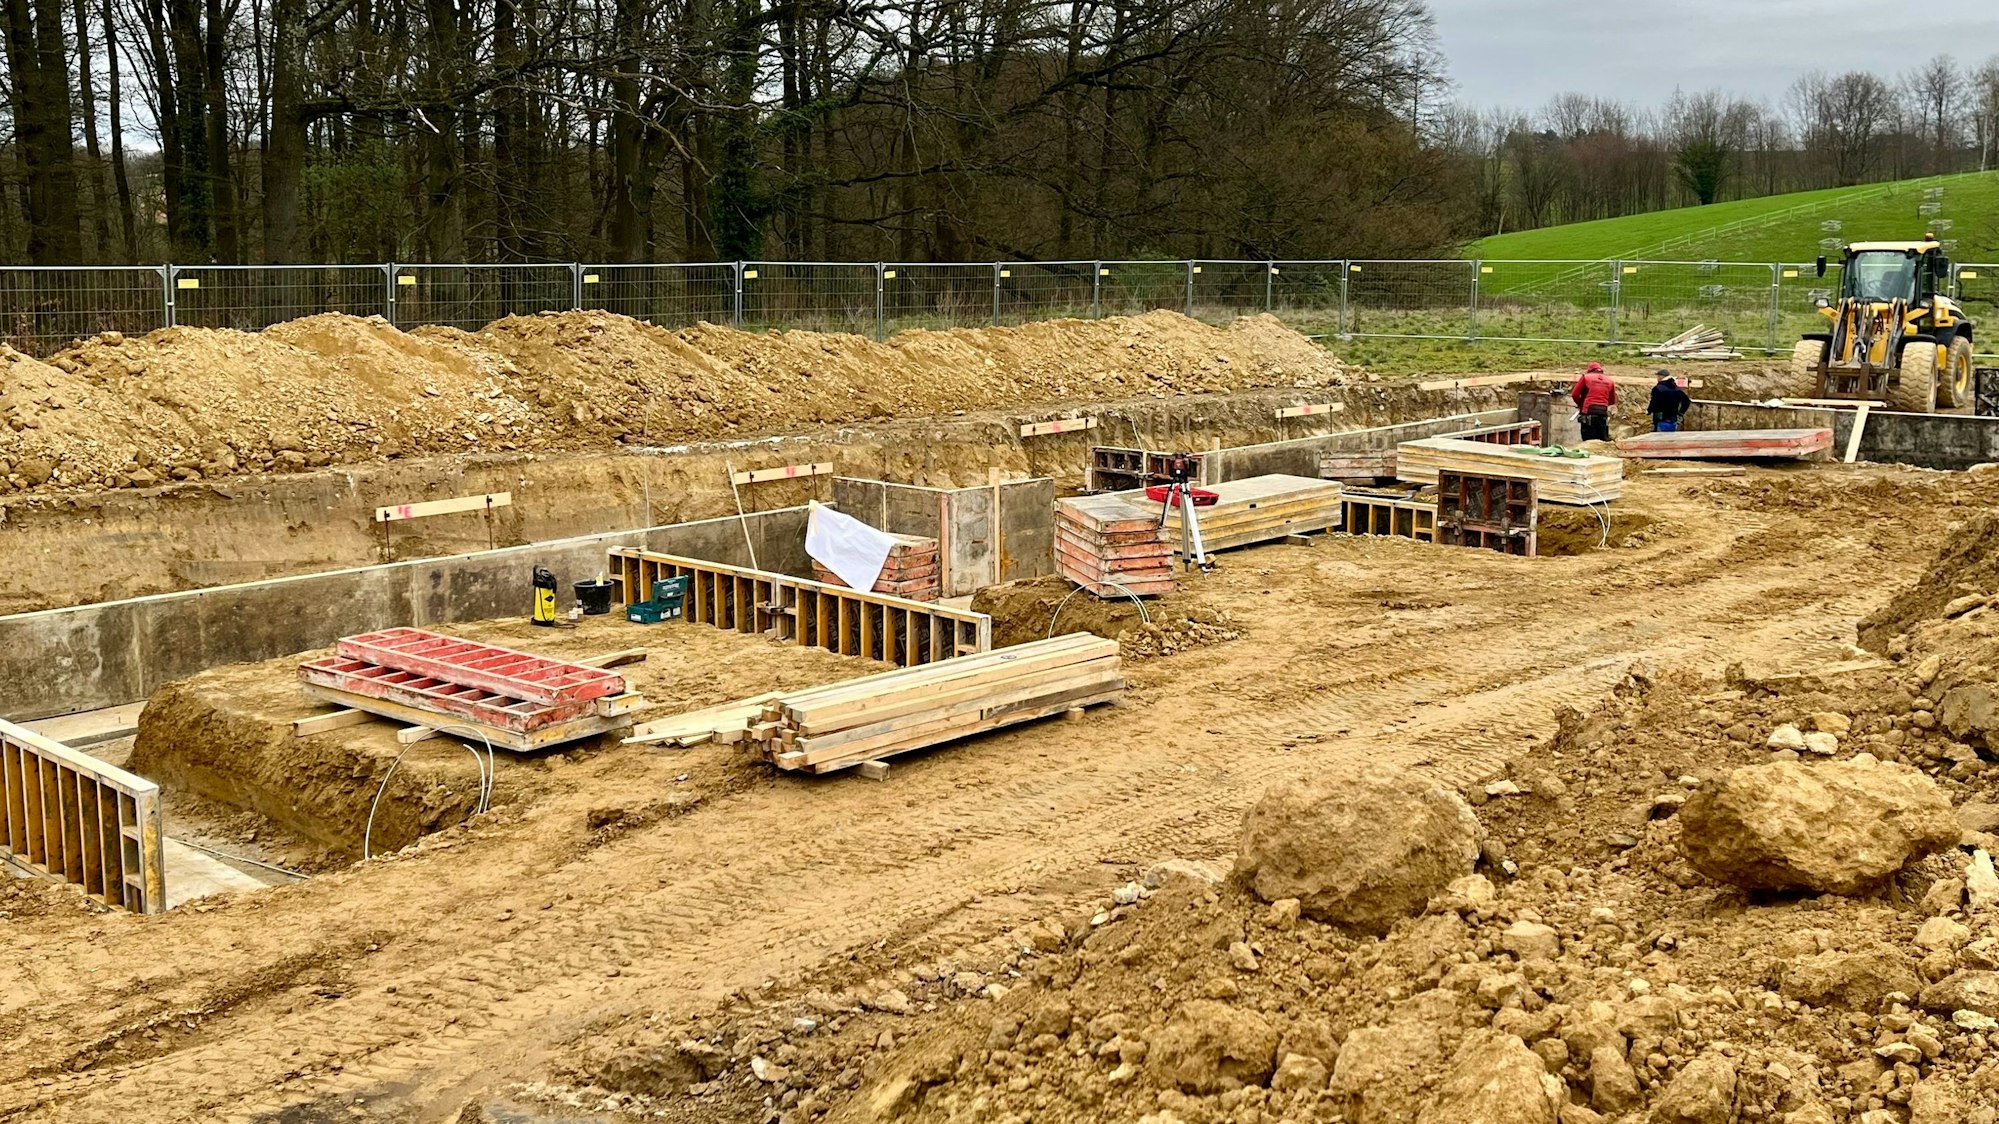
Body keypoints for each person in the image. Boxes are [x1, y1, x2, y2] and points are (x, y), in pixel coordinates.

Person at [1570, 361, 1617, 442]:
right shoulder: (1610, 381)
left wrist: (1580, 404)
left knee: (1588, 441)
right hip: (1602, 415)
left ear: (1589, 370)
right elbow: (1612, 400)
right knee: (1601, 442)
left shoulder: (1586, 377)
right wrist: (1602, 403)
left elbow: (1575, 394)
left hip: (1588, 414)